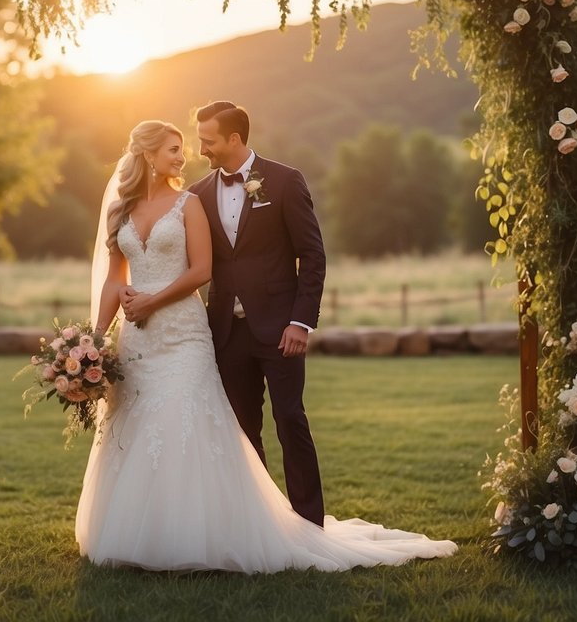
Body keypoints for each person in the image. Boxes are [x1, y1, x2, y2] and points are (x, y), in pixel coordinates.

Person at [76, 119, 456, 572]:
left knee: (252, 420)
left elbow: (206, 270)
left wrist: (152, 301)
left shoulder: (193, 201)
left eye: (193, 145)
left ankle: (285, 524)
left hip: (193, 331)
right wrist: (95, 340)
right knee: (150, 427)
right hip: (147, 340)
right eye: (175, 149)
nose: (187, 155)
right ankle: (146, 533)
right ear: (147, 154)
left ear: (233, 138)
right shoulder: (134, 206)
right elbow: (114, 282)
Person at [189, 100, 325, 525]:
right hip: (227, 333)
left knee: (290, 421)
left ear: (234, 138)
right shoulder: (196, 195)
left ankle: (308, 522)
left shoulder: (285, 181)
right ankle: (260, 524)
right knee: (243, 432)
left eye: (208, 141)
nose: (202, 151)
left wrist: (301, 322)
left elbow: (312, 255)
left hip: (281, 328)